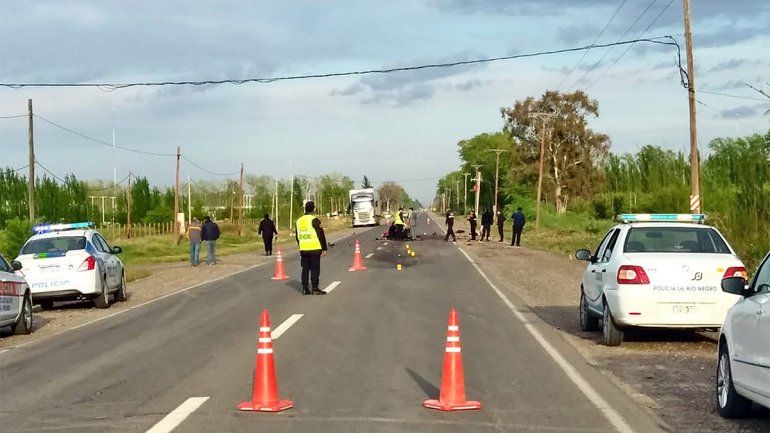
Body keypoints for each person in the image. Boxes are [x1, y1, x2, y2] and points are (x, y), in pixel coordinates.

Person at [295, 201, 328, 296]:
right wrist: (324, 248)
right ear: (313, 209)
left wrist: (301, 245)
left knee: (305, 269)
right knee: (315, 269)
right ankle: (315, 287)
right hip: (314, 248)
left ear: (305, 208)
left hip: (303, 248)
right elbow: (320, 234)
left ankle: (305, 288)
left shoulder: (299, 221)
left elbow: (297, 236)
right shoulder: (315, 220)